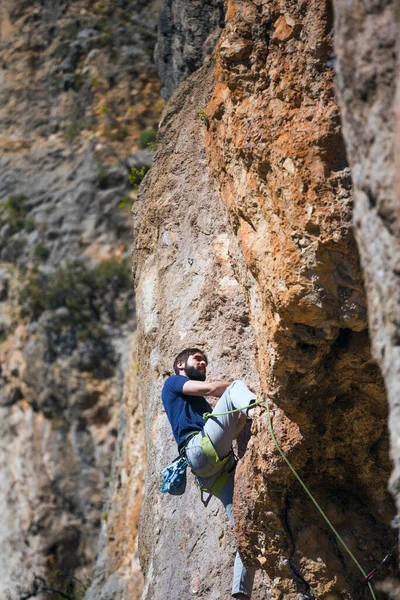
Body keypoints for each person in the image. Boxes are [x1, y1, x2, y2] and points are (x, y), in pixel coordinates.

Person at [161, 347, 258, 600]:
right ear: (180, 364)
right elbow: (210, 388)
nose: (203, 363)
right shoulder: (173, 383)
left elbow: (230, 431)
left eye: (205, 360)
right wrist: (244, 392)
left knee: (247, 529)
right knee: (236, 386)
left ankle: (241, 593)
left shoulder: (200, 407)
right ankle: (258, 408)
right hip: (199, 449)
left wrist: (239, 420)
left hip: (215, 470)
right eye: (198, 359)